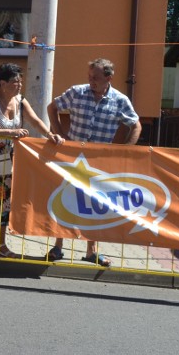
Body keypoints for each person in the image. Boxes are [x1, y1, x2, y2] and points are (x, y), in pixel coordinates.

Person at [46, 57, 141, 267]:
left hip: (99, 161)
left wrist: (125, 151)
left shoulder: (120, 100)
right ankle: (58, 245)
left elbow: (136, 125)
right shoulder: (77, 92)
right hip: (73, 156)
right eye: (89, 77)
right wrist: (61, 135)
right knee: (66, 196)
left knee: (95, 203)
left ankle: (92, 251)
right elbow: (52, 107)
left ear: (109, 78)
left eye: (96, 78)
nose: (91, 82)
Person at [0, 63, 62, 258]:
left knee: (7, 201)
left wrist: (50, 134)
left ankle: (3, 244)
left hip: (11, 156)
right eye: (16, 81)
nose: (20, 84)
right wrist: (11, 132)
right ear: (3, 83)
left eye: (21, 81)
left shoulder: (21, 101)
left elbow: (35, 120)